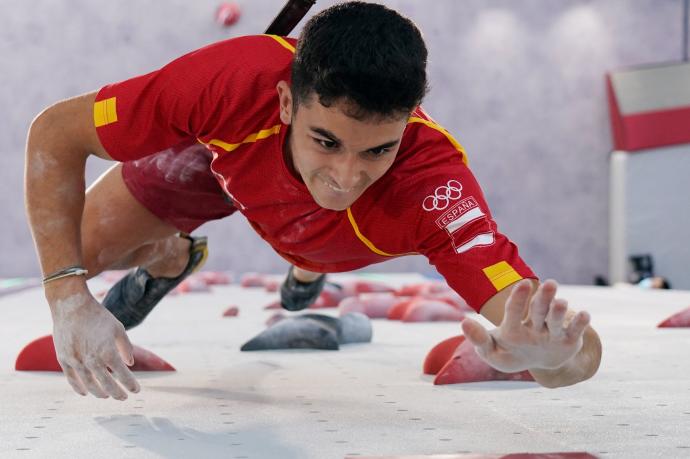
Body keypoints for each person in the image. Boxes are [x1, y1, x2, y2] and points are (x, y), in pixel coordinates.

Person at [25, 1, 601, 401]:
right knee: (85, 248)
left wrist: (553, 361)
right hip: (217, 161)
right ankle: (170, 256)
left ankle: (305, 267)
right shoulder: (227, 80)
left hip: (332, 241)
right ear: (283, 102)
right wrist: (67, 294)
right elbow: (55, 132)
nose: (347, 176)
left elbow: (574, 348)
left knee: (320, 235)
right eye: (326, 141)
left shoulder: (432, 186)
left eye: (378, 149)